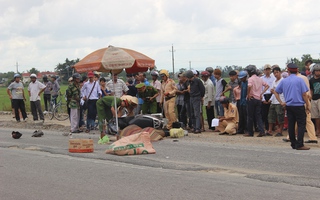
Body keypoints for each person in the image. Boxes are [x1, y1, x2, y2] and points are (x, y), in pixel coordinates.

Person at [274, 63, 310, 150]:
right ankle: (300, 144)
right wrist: (308, 105)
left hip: (289, 105)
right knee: (301, 124)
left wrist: (281, 102)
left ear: (288, 71)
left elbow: (276, 92)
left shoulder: (284, 81)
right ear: (297, 70)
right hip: (299, 105)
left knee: (291, 124)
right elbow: (304, 94)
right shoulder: (300, 80)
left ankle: (293, 143)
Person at [243, 65, 269, 137]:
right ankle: (262, 131)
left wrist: (248, 94)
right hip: (258, 98)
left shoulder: (250, 79)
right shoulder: (260, 79)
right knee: (258, 116)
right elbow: (267, 85)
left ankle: (250, 132)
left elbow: (249, 86)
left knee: (250, 116)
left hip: (251, 98)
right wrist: (261, 93)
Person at [268, 66, 285, 137]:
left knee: (280, 116)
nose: (276, 74)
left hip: (280, 100)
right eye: (274, 73)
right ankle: (270, 130)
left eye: (277, 72)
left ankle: (280, 131)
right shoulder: (274, 81)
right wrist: (271, 99)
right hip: (274, 101)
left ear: (280, 72)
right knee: (271, 115)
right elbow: (273, 91)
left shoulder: (283, 81)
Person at [261, 64, 276, 132]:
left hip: (271, 95)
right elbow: (260, 89)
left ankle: (271, 127)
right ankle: (266, 126)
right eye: (266, 70)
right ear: (264, 70)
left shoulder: (273, 78)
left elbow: (274, 89)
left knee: (271, 113)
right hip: (264, 95)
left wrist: (271, 99)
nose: (267, 71)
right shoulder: (261, 79)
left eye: (269, 70)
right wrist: (263, 99)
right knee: (264, 113)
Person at [308, 64, 320, 141]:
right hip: (314, 98)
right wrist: (310, 98)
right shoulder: (311, 80)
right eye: (316, 71)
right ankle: (317, 130)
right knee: (316, 116)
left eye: (319, 71)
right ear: (313, 72)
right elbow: (311, 90)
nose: (318, 72)